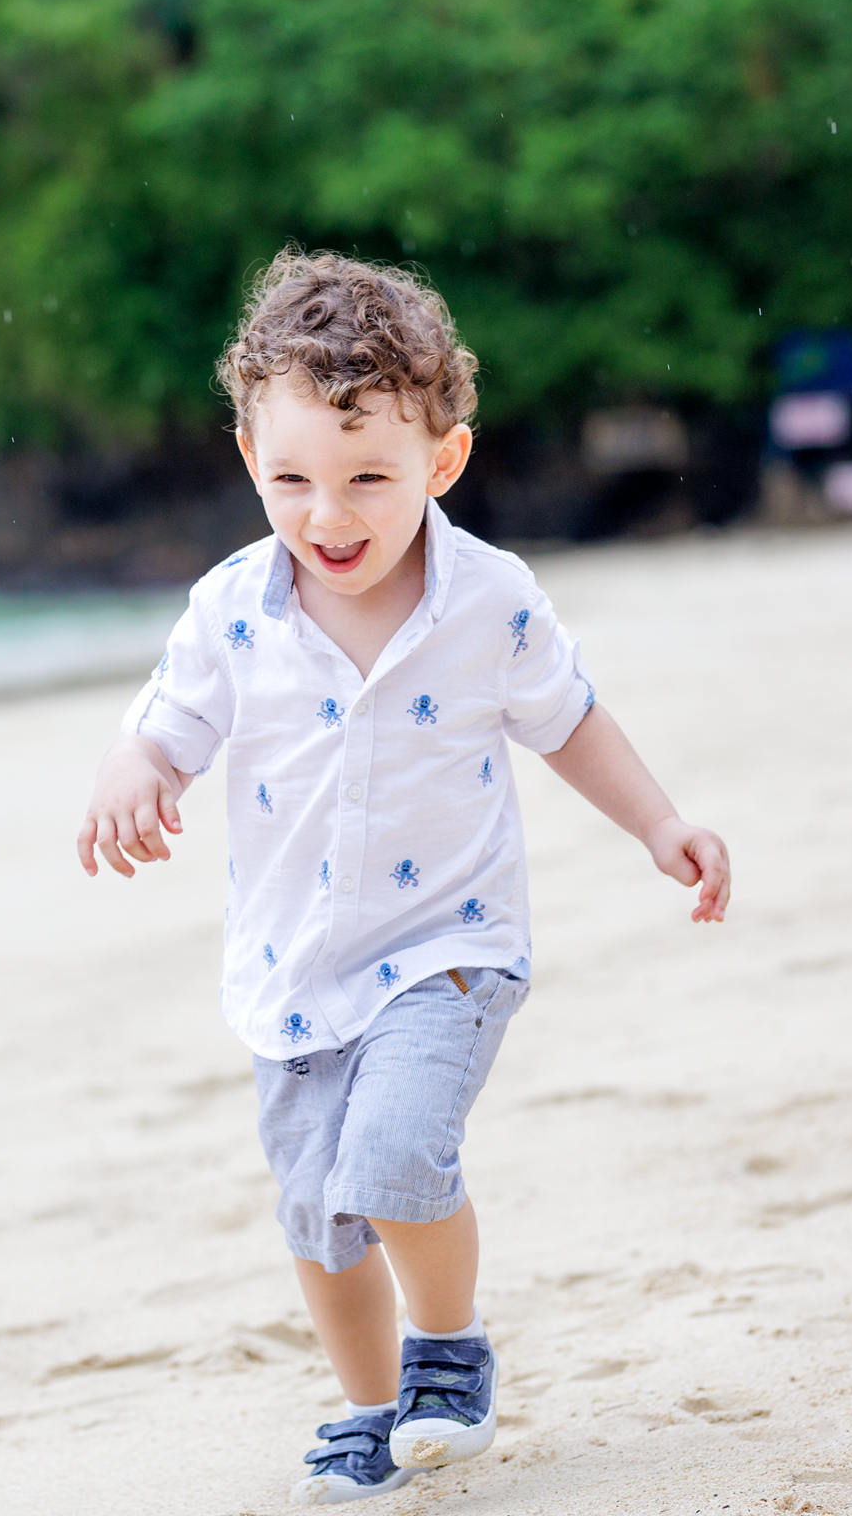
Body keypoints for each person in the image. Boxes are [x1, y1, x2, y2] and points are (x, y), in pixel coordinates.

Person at [74, 249, 732, 1504]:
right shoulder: (231, 611)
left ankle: (449, 1346)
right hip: (290, 972)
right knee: (320, 1217)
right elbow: (165, 724)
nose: (331, 516)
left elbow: (571, 721)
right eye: (293, 480)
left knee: (391, 1157)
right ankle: (371, 1410)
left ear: (445, 461)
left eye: (370, 477)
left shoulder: (490, 600)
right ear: (247, 460)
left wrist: (659, 824)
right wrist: (130, 769)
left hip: (450, 944)